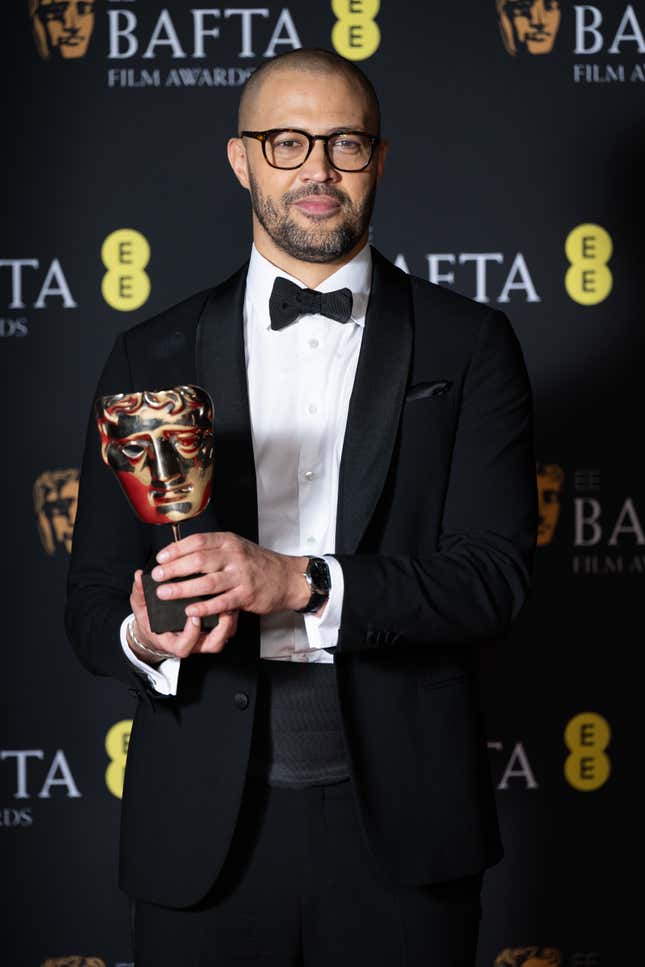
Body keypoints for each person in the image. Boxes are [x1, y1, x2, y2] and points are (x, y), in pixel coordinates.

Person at [66, 47, 537, 966]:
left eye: (343, 144)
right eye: (286, 143)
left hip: (404, 833)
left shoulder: (469, 344)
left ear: (379, 159)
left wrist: (299, 583)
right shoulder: (147, 354)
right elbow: (89, 601)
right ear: (241, 159)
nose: (316, 170)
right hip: (197, 839)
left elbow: (495, 580)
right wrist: (145, 640)